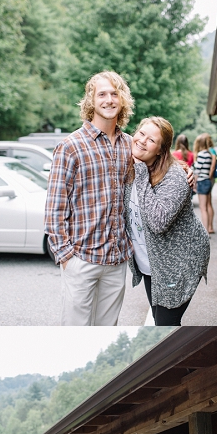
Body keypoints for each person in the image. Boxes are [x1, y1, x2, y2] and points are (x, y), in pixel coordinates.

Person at [45, 71, 136, 326]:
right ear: (91, 101)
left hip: (116, 260)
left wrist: (185, 173)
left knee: (108, 330)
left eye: (115, 93)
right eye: (102, 94)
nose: (109, 100)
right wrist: (66, 258)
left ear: (123, 100)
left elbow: (158, 168)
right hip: (81, 260)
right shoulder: (70, 146)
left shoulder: (130, 145)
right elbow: (54, 209)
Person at [124, 117, 210, 326]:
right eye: (141, 134)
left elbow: (157, 222)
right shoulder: (130, 165)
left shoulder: (175, 177)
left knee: (165, 325)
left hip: (178, 262)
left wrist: (143, 173)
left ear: (161, 150)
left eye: (152, 140)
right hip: (151, 262)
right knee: (158, 320)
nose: (143, 141)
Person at [192, 134, 217, 234]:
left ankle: (205, 232)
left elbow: (197, 170)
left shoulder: (201, 154)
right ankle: (210, 227)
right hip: (208, 181)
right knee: (208, 205)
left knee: (203, 209)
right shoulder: (209, 154)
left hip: (202, 182)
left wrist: (194, 183)